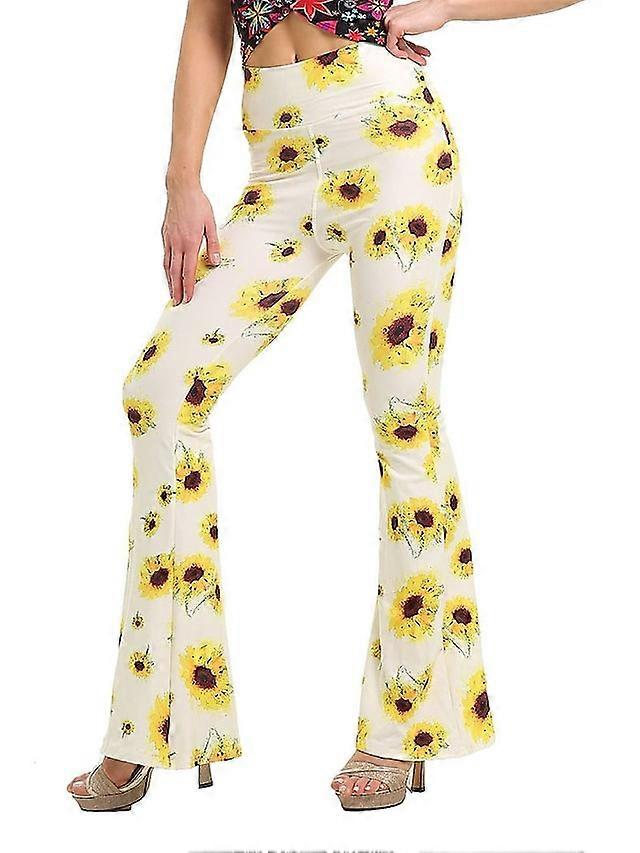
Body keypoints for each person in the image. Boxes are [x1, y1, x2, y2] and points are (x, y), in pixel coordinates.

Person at [68, 0, 581, 813]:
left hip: (390, 137)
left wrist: (448, 5)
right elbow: (207, 21)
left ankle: (401, 725)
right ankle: (156, 718)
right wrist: (182, 179)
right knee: (160, 390)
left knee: (404, 426)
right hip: (276, 160)